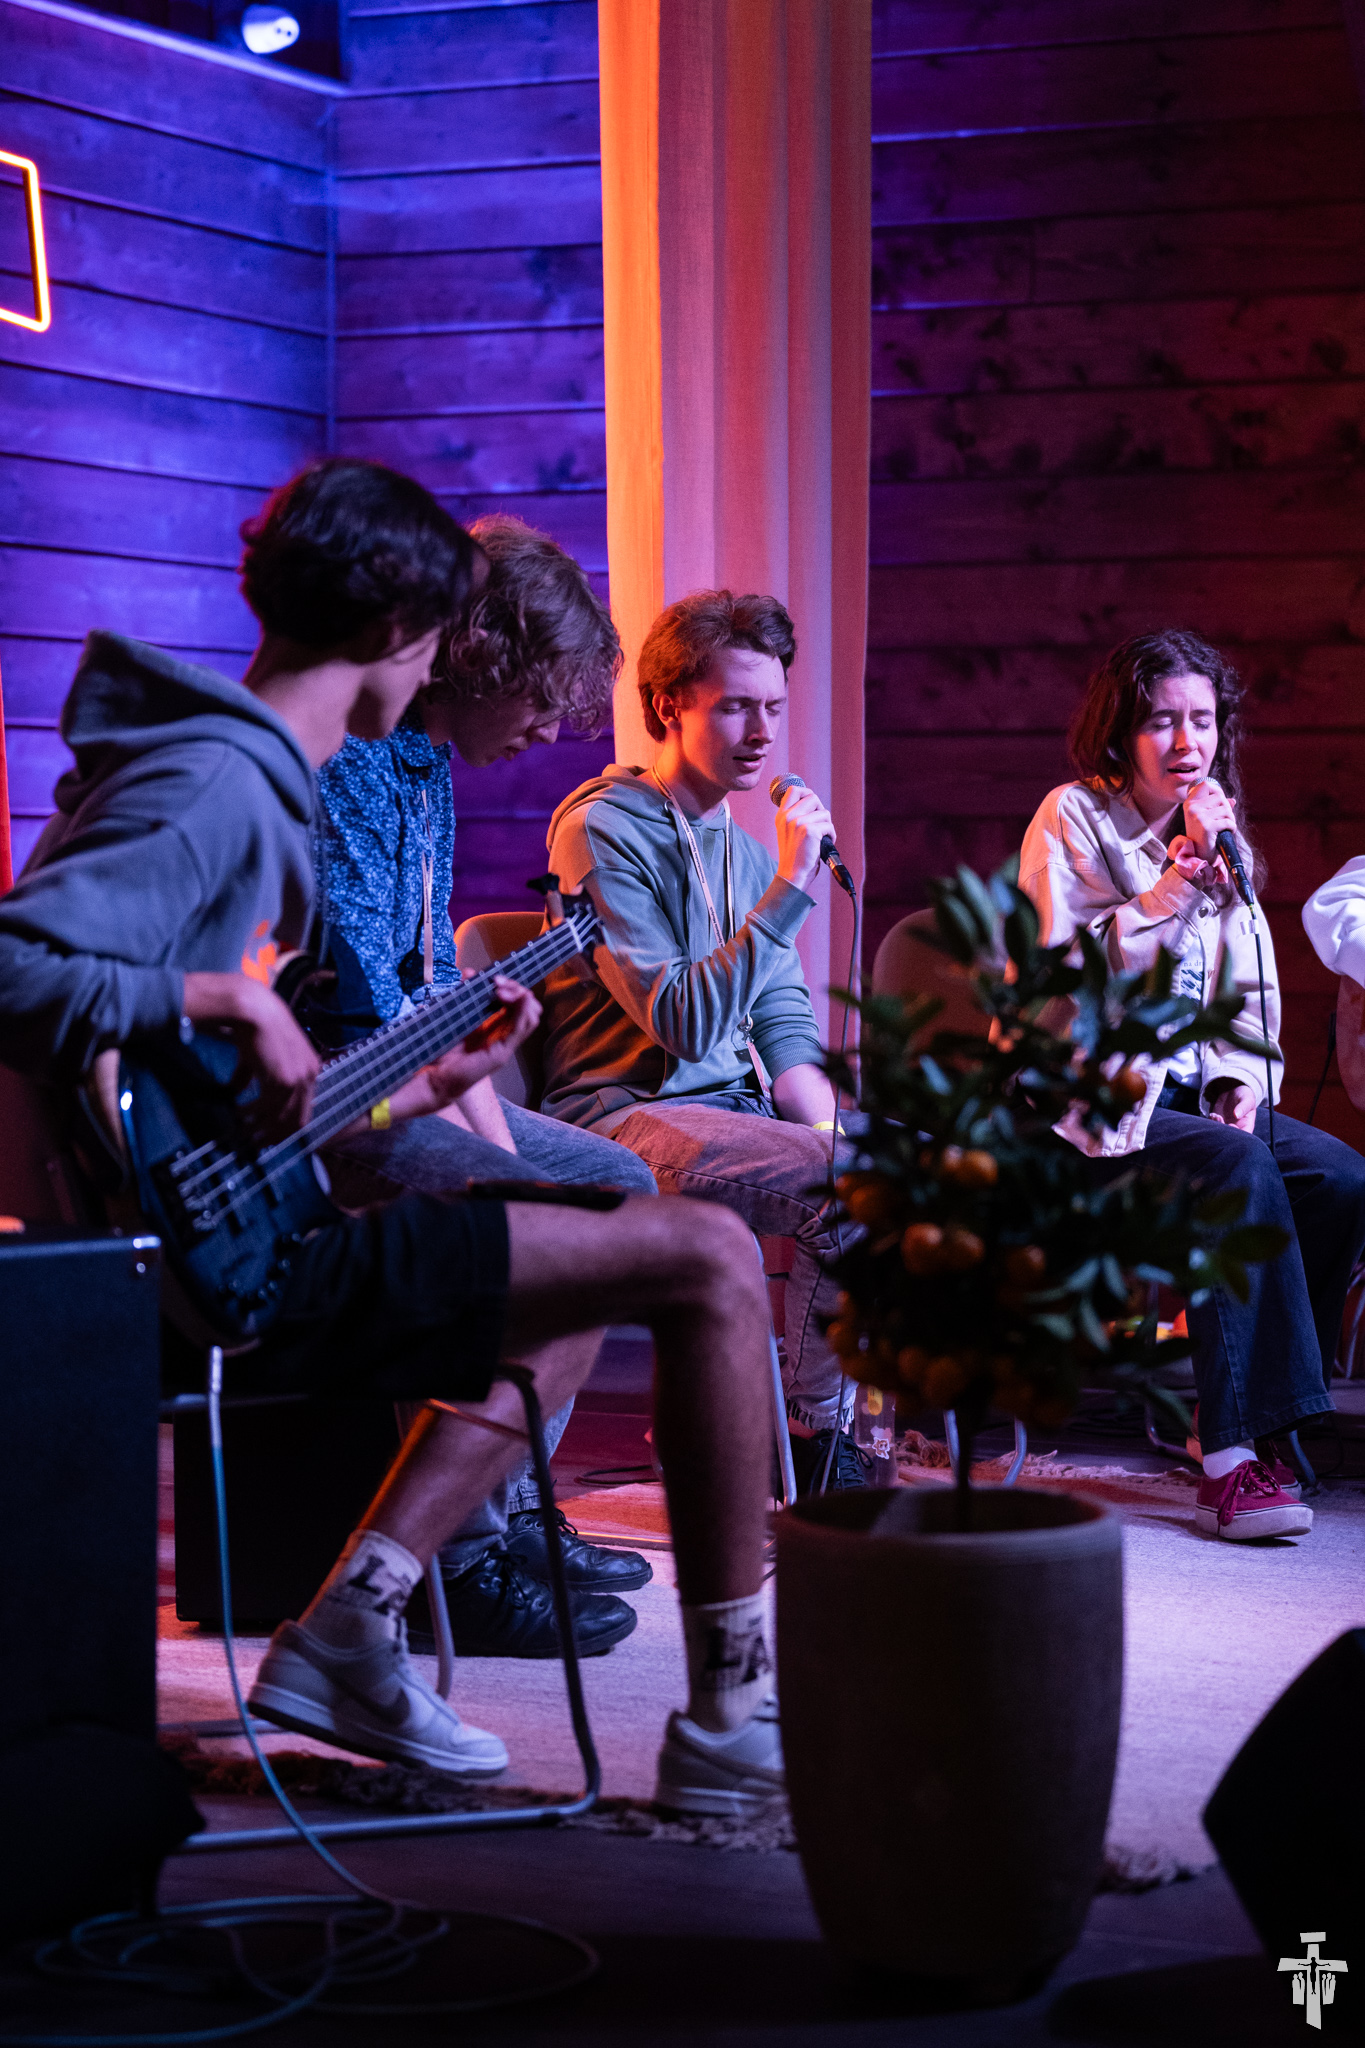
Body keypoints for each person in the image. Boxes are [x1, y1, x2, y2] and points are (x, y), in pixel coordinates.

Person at [0, 460, 782, 1816]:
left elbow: (227, 1112)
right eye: (434, 636)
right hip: (217, 1273)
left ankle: (357, 1621)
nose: (439, 668)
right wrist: (229, 996)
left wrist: (415, 1091)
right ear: (393, 630)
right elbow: (16, 967)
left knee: (603, 1243)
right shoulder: (219, 777)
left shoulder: (255, 773)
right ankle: (731, 1722)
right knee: (705, 1253)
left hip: (245, 1218)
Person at [312, 514, 658, 1662]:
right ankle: (461, 1559)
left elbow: (426, 994)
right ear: (481, 653)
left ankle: (512, 1502)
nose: (552, 728)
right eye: (542, 696)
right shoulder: (355, 767)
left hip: (409, 1067)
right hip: (339, 1103)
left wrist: (494, 1126)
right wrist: (497, 1160)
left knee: (617, 1186)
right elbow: (372, 1024)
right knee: (543, 1222)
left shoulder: (425, 767)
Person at [1019, 629, 1365, 1541]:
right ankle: (1229, 1463)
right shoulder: (1073, 818)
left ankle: (1253, 1416)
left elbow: (1246, 998)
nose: (1185, 743)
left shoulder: (1218, 836)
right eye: (1161, 721)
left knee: (1336, 1179)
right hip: (1074, 1112)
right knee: (1233, 1170)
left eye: (1202, 721)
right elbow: (1064, 979)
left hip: (1179, 1109)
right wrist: (1174, 888)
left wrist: (1237, 1084)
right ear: (1119, 731)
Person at [539, 589, 863, 1491]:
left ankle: (800, 1431)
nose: (761, 733)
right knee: (849, 1187)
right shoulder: (601, 830)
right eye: (734, 707)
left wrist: (835, 1134)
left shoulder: (743, 853)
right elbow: (681, 1023)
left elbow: (785, 1032)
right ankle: (808, 1444)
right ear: (667, 706)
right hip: (624, 1115)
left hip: (731, 1113)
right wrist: (791, 890)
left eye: (774, 708)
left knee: (901, 1172)